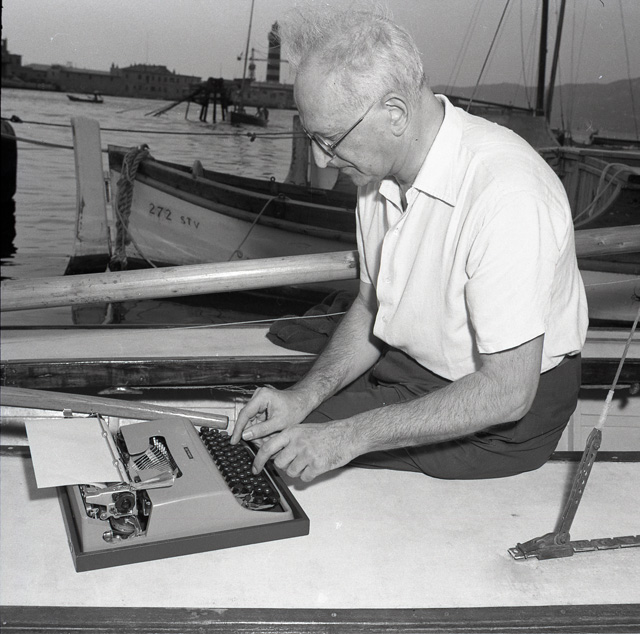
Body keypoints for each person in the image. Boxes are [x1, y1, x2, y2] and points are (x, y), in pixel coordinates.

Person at [230, 7, 588, 483]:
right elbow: (371, 306)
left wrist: (348, 437)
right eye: (311, 137)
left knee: (277, 458)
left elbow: (508, 393)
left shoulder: (507, 193)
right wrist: (303, 396)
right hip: (414, 372)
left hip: (504, 421)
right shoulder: (373, 175)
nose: (320, 159)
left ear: (395, 113)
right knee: (275, 436)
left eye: (329, 140)